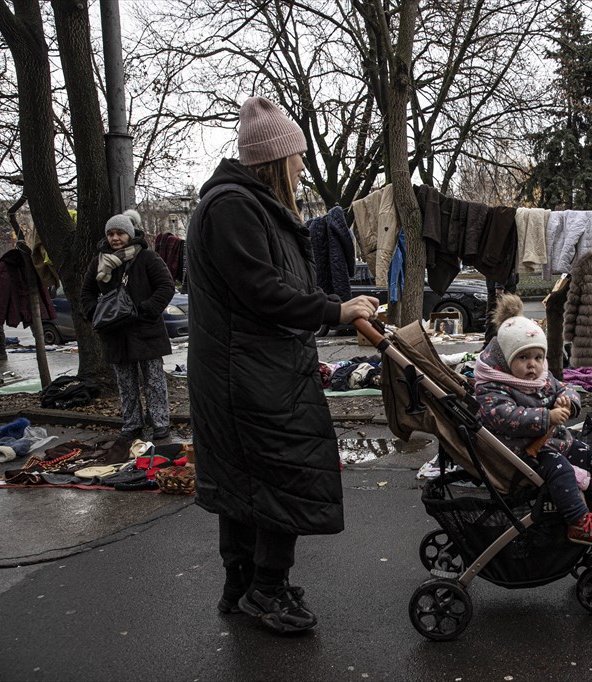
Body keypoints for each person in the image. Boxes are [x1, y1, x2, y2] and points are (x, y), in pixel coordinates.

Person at [186, 96, 378, 635]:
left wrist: (330, 306)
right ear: (275, 158)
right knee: (281, 473)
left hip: (253, 368)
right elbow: (262, 290)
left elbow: (277, 286)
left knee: (247, 479)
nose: (301, 166)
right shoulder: (233, 207)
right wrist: (334, 310)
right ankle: (264, 589)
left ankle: (244, 584)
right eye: (296, 156)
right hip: (249, 374)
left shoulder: (247, 206)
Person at [474, 294, 592, 546]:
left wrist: (568, 400)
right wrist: (547, 416)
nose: (532, 365)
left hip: (547, 441)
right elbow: (503, 417)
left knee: (585, 451)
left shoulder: (539, 377)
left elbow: (564, 387)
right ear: (506, 359)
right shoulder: (493, 385)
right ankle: (578, 523)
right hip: (520, 450)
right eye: (523, 358)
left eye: (537, 357)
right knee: (561, 470)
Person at [82, 212, 175, 441]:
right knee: (125, 383)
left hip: (146, 330)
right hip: (115, 333)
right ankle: (132, 424)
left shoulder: (147, 258)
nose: (115, 238)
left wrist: (146, 309)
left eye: (120, 233)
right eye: (111, 233)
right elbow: (86, 293)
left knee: (154, 380)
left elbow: (165, 286)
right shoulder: (99, 262)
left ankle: (160, 422)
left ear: (129, 234)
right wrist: (97, 313)